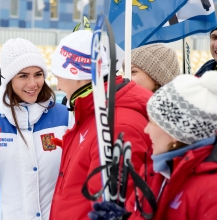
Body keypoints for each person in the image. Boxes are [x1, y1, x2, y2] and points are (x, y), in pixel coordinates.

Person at [89, 70, 217, 220]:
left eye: (152, 123)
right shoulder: (156, 170)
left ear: (175, 133)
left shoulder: (216, 190)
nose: (146, 130)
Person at [48, 30, 153, 220]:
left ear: (77, 75)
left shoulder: (115, 125)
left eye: (58, 77)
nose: (59, 86)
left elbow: (112, 205)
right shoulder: (94, 110)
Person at [0, 38, 73, 220]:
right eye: (23, 76)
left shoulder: (64, 117)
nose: (33, 84)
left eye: (38, 74)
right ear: (8, 79)